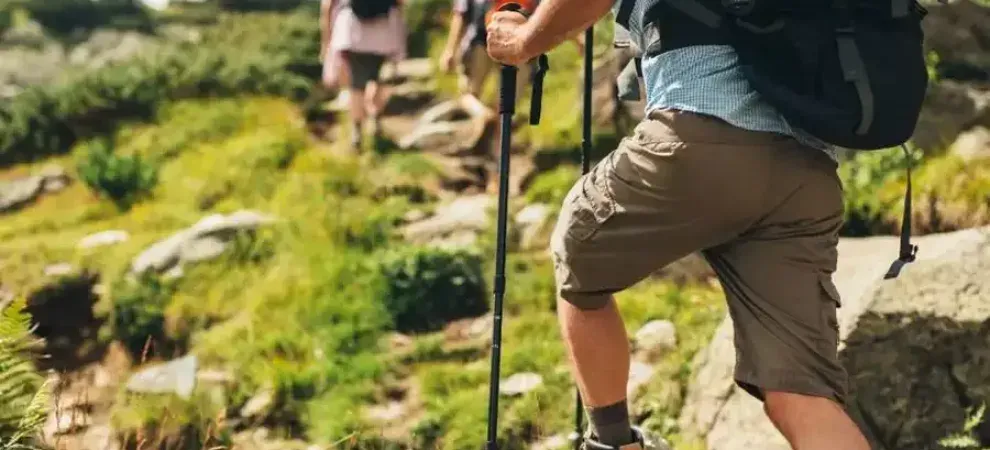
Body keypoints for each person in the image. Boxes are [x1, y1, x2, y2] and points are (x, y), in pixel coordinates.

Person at [486, 2, 873, 450]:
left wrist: (522, 41)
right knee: (800, 392)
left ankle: (614, 441)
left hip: (699, 138)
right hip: (804, 176)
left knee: (579, 245)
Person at [439, 0, 585, 121]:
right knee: (479, 98)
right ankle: (486, 119)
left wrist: (577, 39)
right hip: (488, 40)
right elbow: (461, 14)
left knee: (493, 102)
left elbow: (549, 16)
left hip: (510, 43)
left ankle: (489, 126)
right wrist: (450, 49)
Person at [321, 0, 407, 150]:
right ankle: (375, 120)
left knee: (356, 84)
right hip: (384, 31)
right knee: (378, 78)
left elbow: (328, 6)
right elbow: (400, 3)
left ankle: (357, 131)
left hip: (352, 31)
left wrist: (326, 41)